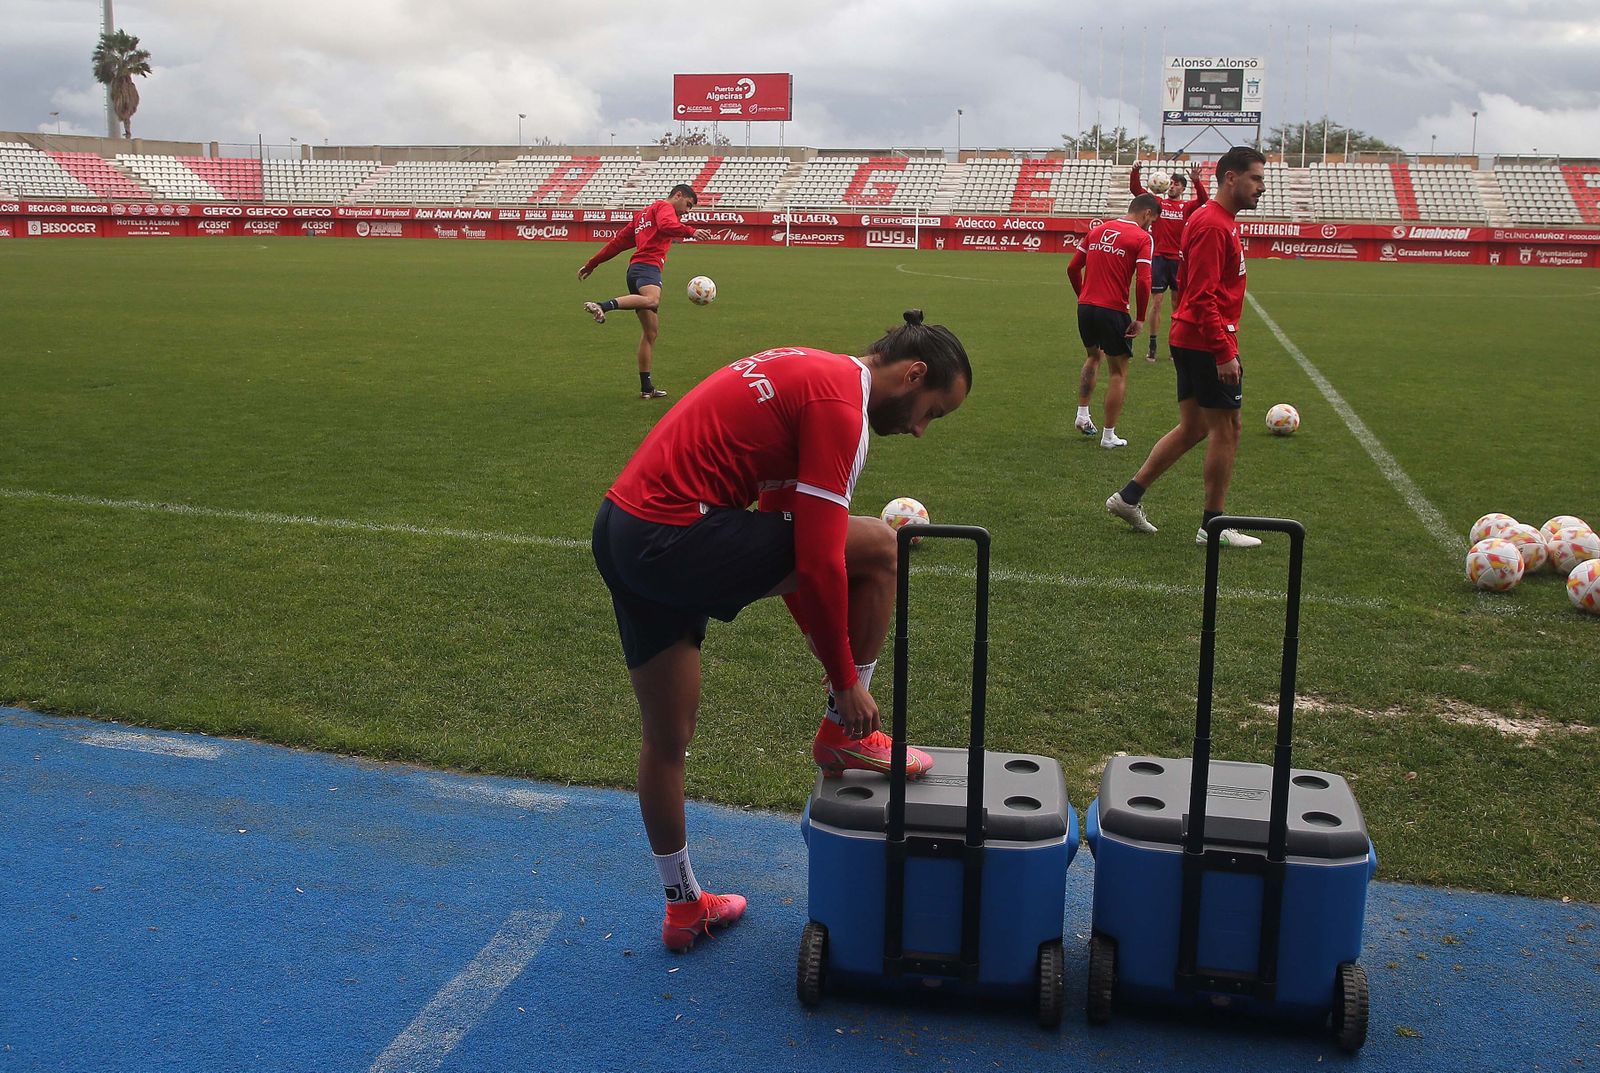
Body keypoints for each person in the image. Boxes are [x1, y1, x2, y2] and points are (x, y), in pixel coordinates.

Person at [591, 311, 973, 952]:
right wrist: (847, 684)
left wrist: (832, 662)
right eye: (931, 410)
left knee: (667, 738)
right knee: (881, 548)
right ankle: (850, 735)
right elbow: (819, 561)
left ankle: (684, 906)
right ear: (913, 374)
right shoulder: (842, 404)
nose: (919, 429)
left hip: (623, 531)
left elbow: (782, 529)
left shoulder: (810, 369)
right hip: (676, 534)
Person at [1106, 146, 1267, 549]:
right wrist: (1223, 350)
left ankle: (1129, 497)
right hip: (1206, 339)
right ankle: (1214, 526)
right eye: (1256, 178)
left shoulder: (1217, 220)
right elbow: (1202, 295)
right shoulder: (1214, 224)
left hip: (1191, 336)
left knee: (1195, 426)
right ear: (1231, 177)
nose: (1261, 188)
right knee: (1227, 428)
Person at [578, 183, 700, 399]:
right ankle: (603, 306)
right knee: (652, 300)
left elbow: (617, 243)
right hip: (647, 269)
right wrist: (690, 231)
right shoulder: (664, 208)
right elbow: (666, 225)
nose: (687, 211)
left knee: (651, 332)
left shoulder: (643, 215)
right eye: (688, 205)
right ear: (678, 195)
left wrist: (591, 264)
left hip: (635, 272)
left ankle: (646, 388)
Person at [1069, 194, 1160, 448]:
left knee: (1092, 356)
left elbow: (1072, 268)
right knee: (1118, 372)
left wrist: (1083, 297)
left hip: (1086, 308)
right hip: (1113, 310)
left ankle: (1082, 414)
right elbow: (1144, 280)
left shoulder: (1098, 230)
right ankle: (1109, 437)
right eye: (1151, 221)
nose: (1149, 227)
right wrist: (1141, 318)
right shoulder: (1143, 238)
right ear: (1146, 214)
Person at [1129, 161, 1209, 363]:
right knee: (1156, 303)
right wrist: (1136, 172)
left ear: (1182, 188)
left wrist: (1197, 181)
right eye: (1170, 183)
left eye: (1176, 184)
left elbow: (1204, 200)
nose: (1172, 186)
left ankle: (1176, 345)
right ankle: (1153, 346)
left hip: (1180, 261)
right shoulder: (1158, 203)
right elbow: (1136, 191)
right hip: (1159, 259)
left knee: (1178, 305)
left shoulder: (1186, 206)